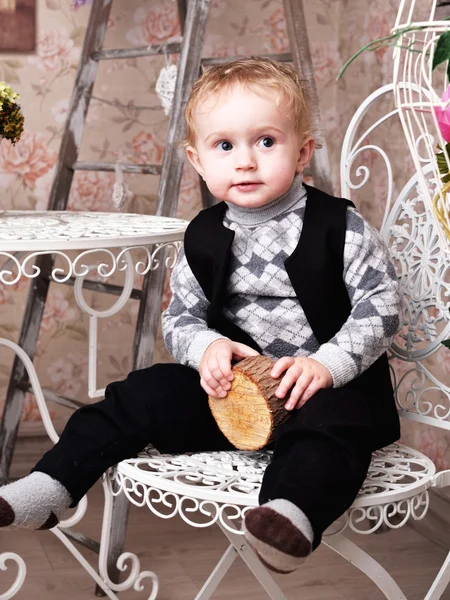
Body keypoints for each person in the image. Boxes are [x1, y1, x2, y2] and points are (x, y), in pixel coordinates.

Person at [0, 57, 402, 574]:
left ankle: (289, 514)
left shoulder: (338, 227)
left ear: (302, 152)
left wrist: (327, 365)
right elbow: (181, 318)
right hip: (232, 404)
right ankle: (52, 485)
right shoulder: (203, 236)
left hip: (320, 393)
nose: (245, 162)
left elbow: (381, 304)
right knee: (139, 392)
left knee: (335, 425)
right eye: (225, 146)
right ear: (197, 160)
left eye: (265, 141)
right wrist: (207, 348)